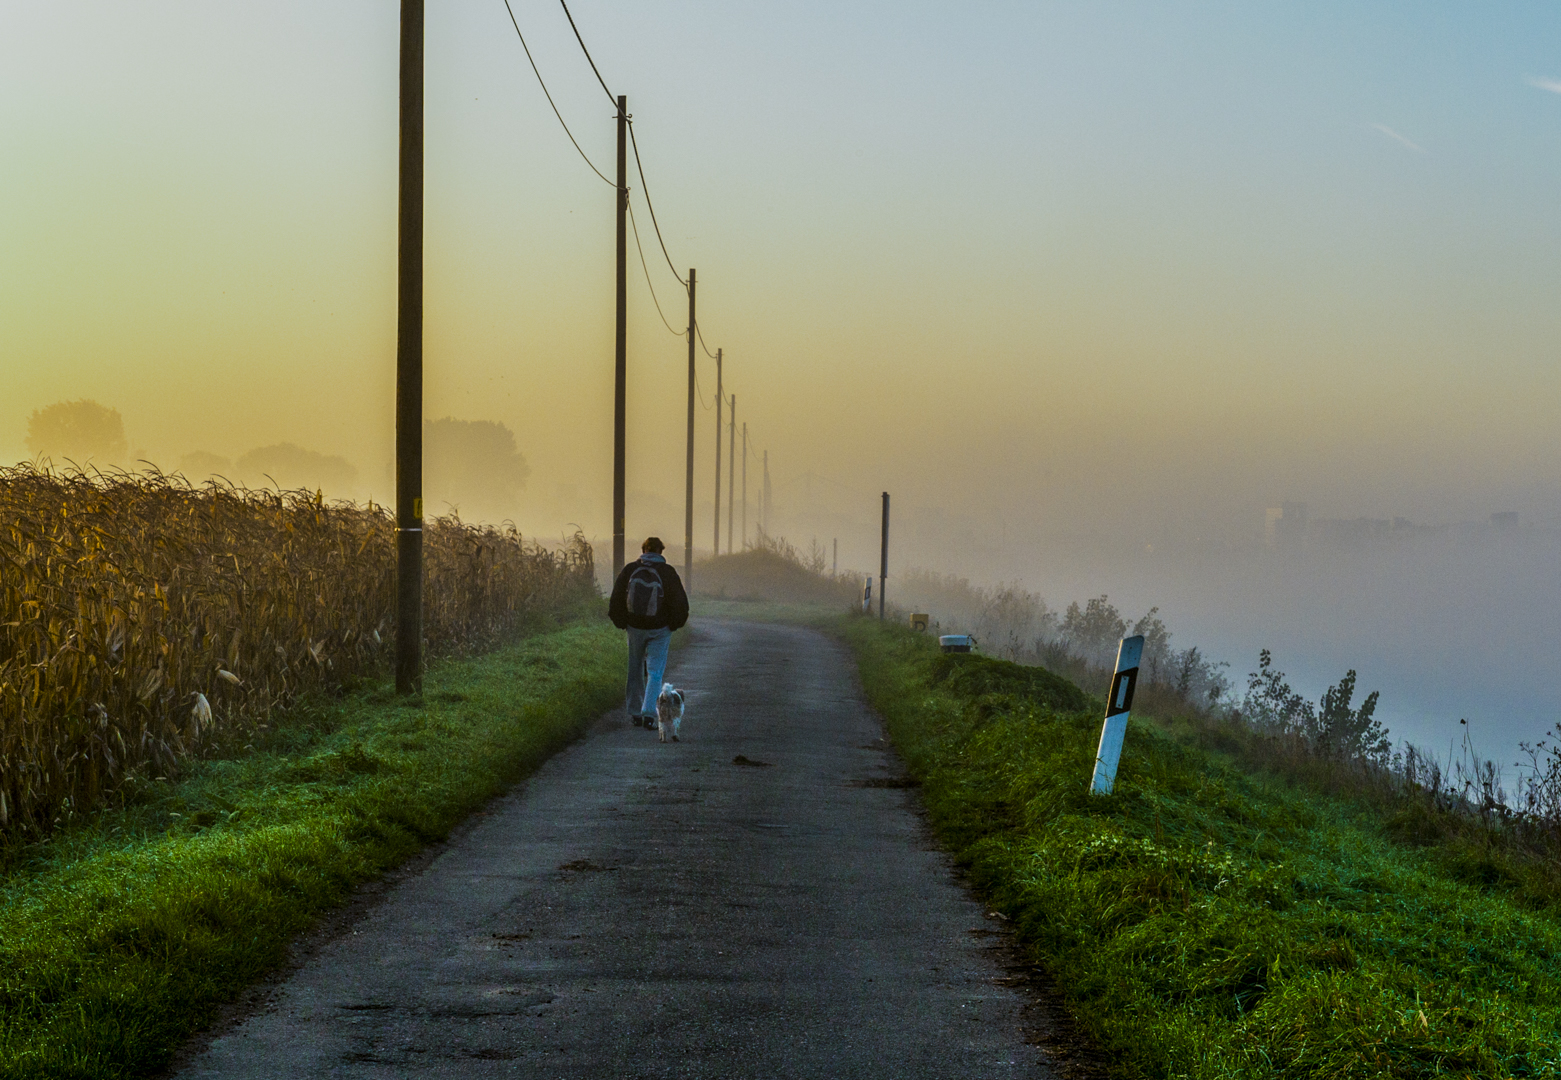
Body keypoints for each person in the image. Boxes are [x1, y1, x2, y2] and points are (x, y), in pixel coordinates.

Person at [608, 536, 690, 729]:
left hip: (635, 627)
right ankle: (649, 714)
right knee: (655, 672)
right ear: (661, 551)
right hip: (660, 629)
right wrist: (673, 624)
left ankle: (635, 712)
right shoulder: (668, 572)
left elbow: (617, 598)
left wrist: (622, 622)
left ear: (643, 550)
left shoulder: (630, 570)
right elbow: (680, 602)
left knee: (634, 668)